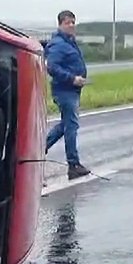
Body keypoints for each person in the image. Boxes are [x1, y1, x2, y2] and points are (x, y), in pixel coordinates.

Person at [43, 10, 92, 180]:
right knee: (71, 126)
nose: (71, 25)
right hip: (64, 90)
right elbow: (52, 67)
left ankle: (41, 147)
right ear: (60, 24)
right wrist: (72, 79)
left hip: (72, 90)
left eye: (73, 22)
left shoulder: (70, 42)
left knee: (66, 124)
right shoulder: (58, 44)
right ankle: (73, 164)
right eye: (67, 22)